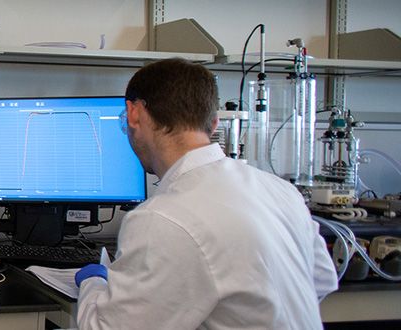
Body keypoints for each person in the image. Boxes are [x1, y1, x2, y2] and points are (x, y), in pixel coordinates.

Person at [73, 58, 338, 329]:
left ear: (134, 114)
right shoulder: (280, 191)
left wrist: (93, 282)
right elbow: (324, 280)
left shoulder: (162, 219)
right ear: (212, 124)